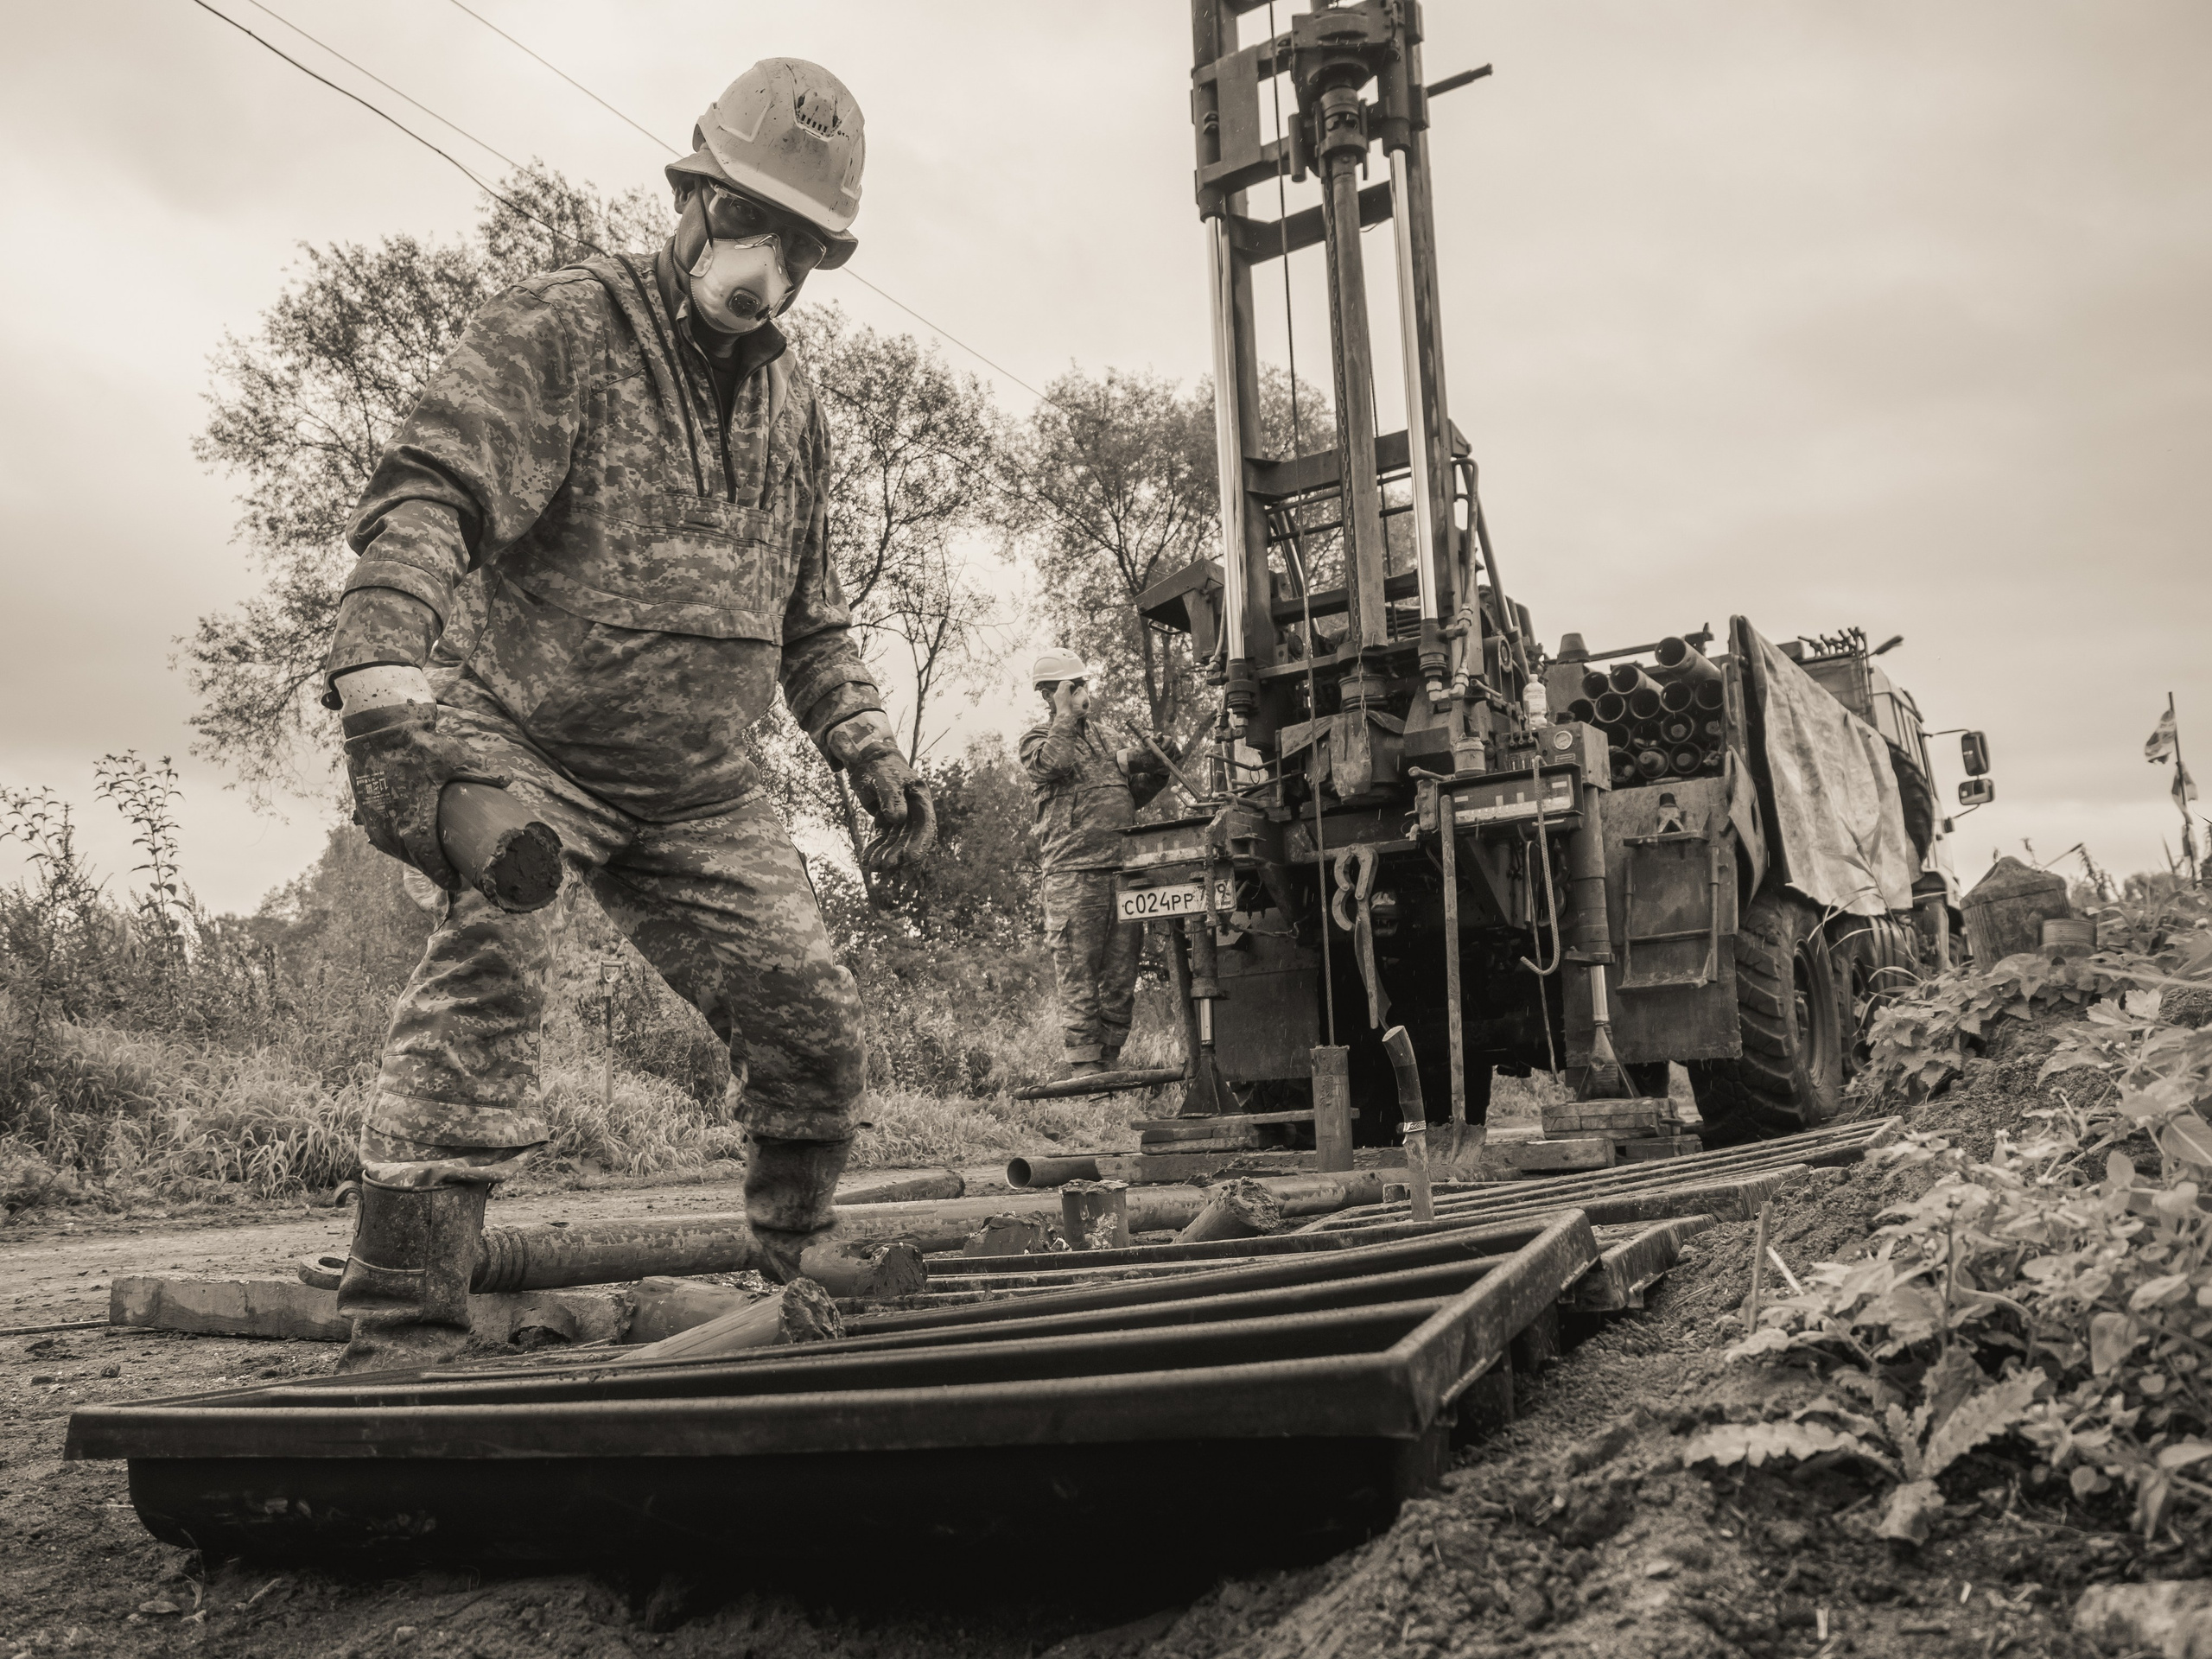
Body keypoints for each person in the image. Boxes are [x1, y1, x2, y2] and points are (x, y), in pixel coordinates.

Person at [320, 60, 932, 1373]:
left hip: (705, 789)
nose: (766, 258)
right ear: (691, 195)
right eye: (748, 218)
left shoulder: (797, 407)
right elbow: (432, 492)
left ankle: (793, 1274)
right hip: (525, 741)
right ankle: (398, 1325)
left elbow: (812, 621)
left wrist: (868, 743)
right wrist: (380, 671)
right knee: (498, 950)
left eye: (801, 241)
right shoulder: (563, 330)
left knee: (813, 1026)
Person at [1019, 650, 1174, 1078]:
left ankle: (1110, 1059)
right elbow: (1056, 763)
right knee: (1077, 969)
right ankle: (1085, 1066)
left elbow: (1129, 797)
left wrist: (1159, 764)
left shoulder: (1106, 737)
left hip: (1120, 872)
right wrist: (1064, 713)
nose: (1084, 692)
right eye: (1074, 686)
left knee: (1121, 972)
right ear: (1050, 693)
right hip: (1072, 875)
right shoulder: (1037, 740)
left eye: (1084, 684)